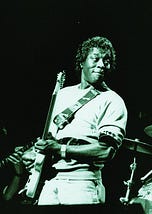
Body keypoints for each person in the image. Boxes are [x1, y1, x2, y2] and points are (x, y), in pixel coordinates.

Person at [21, 36, 128, 205]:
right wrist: (35, 155)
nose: (101, 65)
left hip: (83, 184)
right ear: (81, 62)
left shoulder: (112, 100)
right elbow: (50, 140)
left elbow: (106, 150)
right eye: (95, 59)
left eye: (106, 61)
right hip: (51, 182)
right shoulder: (63, 95)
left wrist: (60, 149)